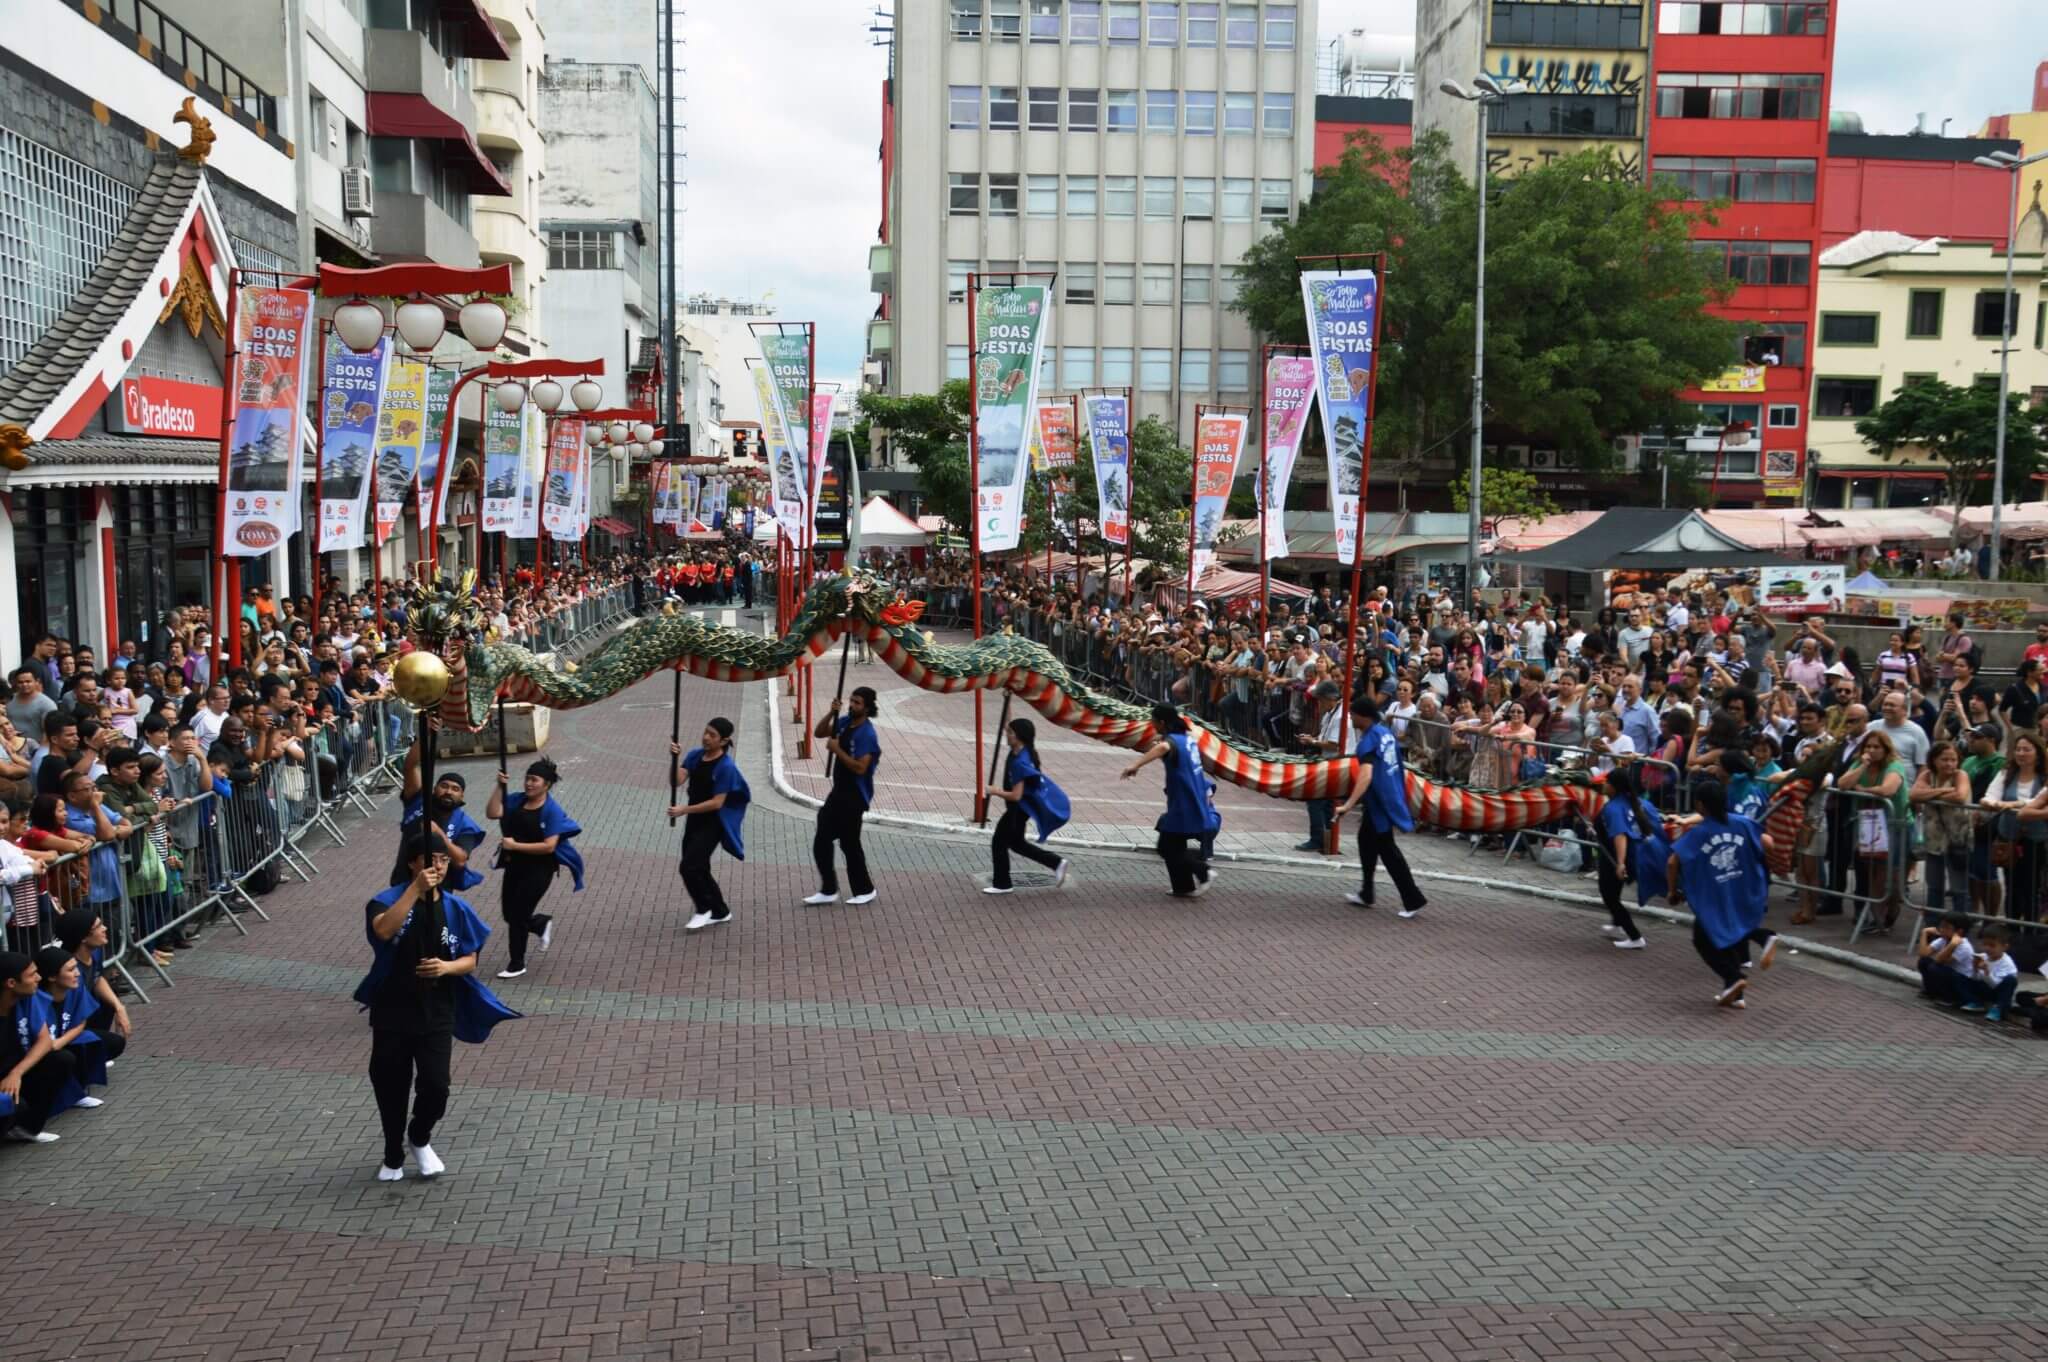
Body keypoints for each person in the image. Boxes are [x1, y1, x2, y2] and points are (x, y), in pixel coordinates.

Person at [353, 838, 519, 1181]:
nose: (439, 866)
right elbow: (383, 930)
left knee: (436, 1085)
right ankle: (392, 1154)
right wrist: (414, 891)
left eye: (444, 860)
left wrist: (446, 968)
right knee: (390, 1085)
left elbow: (470, 960)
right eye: (431, 860)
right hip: (393, 1009)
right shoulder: (386, 900)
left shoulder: (457, 910)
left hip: (437, 1010)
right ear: (413, 864)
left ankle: (419, 1136)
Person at [1667, 777, 1776, 1011]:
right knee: (1730, 932)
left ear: (1700, 806)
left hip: (1715, 893)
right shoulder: (1742, 823)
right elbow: (1768, 843)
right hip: (1741, 883)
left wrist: (1672, 890)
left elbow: (1672, 861)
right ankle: (1737, 989)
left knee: (1703, 938)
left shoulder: (1698, 833)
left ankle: (1735, 975)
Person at [484, 757, 585, 978]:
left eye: (534, 780)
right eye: (527, 779)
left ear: (546, 784)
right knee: (509, 914)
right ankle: (540, 923)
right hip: (514, 866)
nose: (528, 784)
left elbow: (549, 847)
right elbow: (492, 812)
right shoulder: (517, 801)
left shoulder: (552, 811)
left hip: (539, 870)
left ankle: (516, 963)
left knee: (518, 916)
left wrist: (514, 845)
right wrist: (499, 787)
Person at [1333, 695, 1428, 917]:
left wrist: (1347, 805)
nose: (1351, 718)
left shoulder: (1367, 742)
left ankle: (1413, 899)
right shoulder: (1385, 733)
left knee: (1388, 851)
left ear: (1363, 716)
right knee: (1365, 841)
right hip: (1389, 794)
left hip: (1381, 803)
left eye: (1353, 714)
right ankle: (1367, 892)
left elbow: (1365, 776)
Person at [1119, 703, 1219, 898]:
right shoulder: (1187, 740)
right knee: (1176, 845)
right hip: (1191, 798)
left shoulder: (1171, 742)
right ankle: (1183, 886)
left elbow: (1163, 748)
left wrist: (1135, 765)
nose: (1152, 725)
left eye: (1154, 722)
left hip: (1183, 803)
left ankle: (1203, 871)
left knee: (1165, 847)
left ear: (1162, 723)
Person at [668, 718, 751, 931]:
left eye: (712, 735)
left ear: (724, 741)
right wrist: (674, 759)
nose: (706, 737)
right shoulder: (696, 755)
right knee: (699, 867)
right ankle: (721, 911)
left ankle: (703, 909)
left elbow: (717, 803)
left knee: (689, 866)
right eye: (706, 732)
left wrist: (683, 809)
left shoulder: (726, 767)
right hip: (695, 820)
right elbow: (676, 781)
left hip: (713, 822)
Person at [805, 687, 881, 907]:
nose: (852, 705)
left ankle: (865, 890)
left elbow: (860, 768)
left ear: (867, 707)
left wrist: (837, 751)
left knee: (849, 844)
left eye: (857, 703)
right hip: (839, 792)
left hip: (855, 795)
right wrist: (831, 712)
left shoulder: (867, 733)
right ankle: (829, 889)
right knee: (822, 840)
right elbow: (819, 733)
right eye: (851, 701)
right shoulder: (846, 721)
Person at [985, 717, 1071, 895]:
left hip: (1018, 809)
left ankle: (1002, 884)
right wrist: (1008, 693)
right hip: (1022, 809)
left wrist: (994, 791)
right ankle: (1056, 862)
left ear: (1018, 737)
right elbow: (1008, 723)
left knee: (999, 842)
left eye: (1009, 733)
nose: (1006, 735)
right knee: (1016, 843)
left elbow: (1016, 795)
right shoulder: (1023, 750)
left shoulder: (1020, 763)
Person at [0, 949, 74, 1143]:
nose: (39, 978)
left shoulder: (25, 999)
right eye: (32, 974)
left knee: (61, 1060)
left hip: (12, 1073)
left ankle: (26, 1128)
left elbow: (45, 1041)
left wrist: (16, 1073)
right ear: (11, 983)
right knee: (12, 1104)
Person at [394, 736, 484, 891]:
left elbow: (460, 860)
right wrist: (427, 731)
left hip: (439, 890)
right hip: (404, 884)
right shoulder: (417, 801)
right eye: (444, 786)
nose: (448, 791)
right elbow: (410, 766)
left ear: (462, 796)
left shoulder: (464, 824)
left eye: (455, 789)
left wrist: (439, 834)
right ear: (435, 789)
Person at [1594, 765, 1662, 949]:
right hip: (1637, 855)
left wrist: (1620, 863)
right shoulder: (1641, 803)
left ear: (1614, 787)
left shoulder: (1614, 808)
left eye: (1607, 782)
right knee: (1613, 893)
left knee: (1609, 896)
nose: (1604, 785)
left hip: (1615, 857)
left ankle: (1634, 936)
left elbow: (1620, 835)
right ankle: (1617, 924)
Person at [1914, 911, 1977, 1003]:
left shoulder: (1964, 946)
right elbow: (1923, 954)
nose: (1941, 929)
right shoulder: (1943, 939)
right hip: (1950, 975)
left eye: (1946, 927)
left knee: (1935, 967)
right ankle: (1930, 991)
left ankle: (1948, 998)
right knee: (1924, 961)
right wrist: (1924, 933)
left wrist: (1952, 945)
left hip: (1962, 981)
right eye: (1941, 926)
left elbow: (1939, 961)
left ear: (1959, 931)